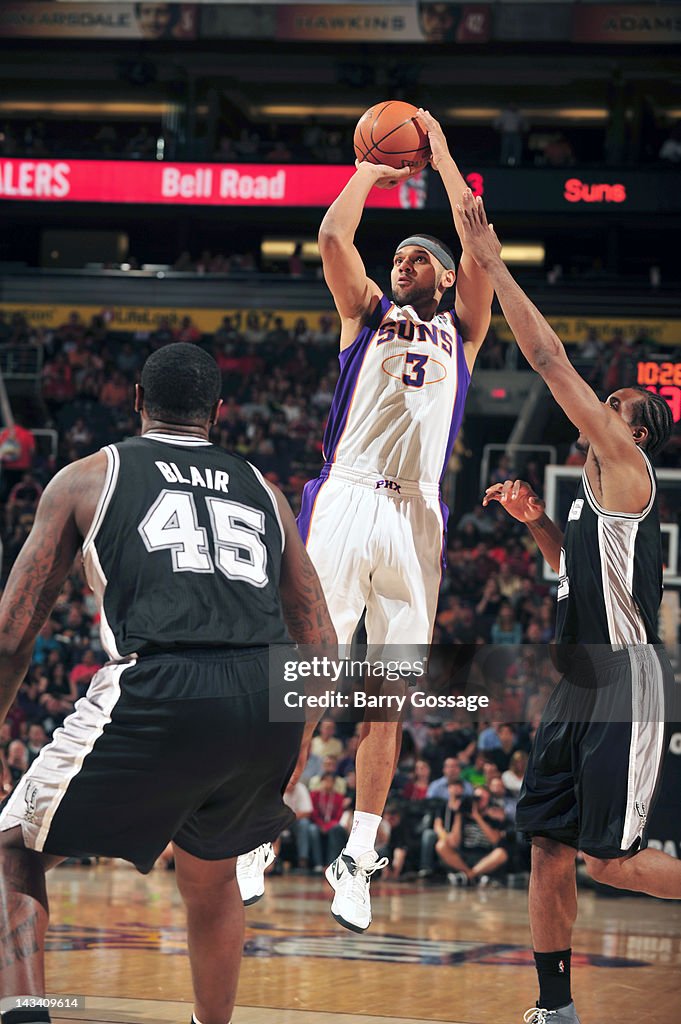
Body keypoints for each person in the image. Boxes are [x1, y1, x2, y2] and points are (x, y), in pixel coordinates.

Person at [0, 343, 336, 1024]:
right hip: (263, 699)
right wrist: (293, 742)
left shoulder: (86, 478)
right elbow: (321, 643)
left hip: (162, 686)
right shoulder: (262, 488)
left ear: (134, 400)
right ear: (218, 411)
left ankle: (25, 1012)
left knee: (11, 849)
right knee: (211, 882)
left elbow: (10, 634)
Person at [458, 192, 678, 1023]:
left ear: (637, 433)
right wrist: (539, 526)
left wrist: (490, 262)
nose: (600, 406)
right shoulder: (590, 498)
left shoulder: (624, 466)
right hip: (576, 685)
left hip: (624, 681)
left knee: (610, 862)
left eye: (615, 403)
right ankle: (554, 1010)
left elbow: (547, 359)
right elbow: (570, 571)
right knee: (545, 844)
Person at [295, 108, 493, 932]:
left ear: (442, 279)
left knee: (390, 692)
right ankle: (259, 832)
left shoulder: (465, 331)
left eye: (419, 257)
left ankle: (358, 853)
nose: (403, 260)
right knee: (306, 677)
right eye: (400, 255)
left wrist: (441, 157)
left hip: (417, 513)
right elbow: (332, 241)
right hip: (346, 493)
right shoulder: (366, 312)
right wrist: (370, 174)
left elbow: (476, 242)